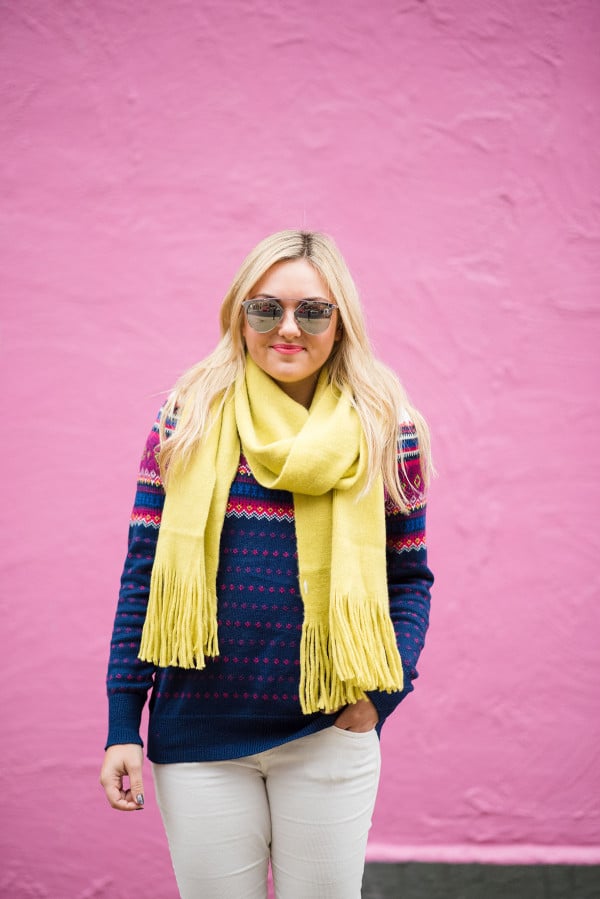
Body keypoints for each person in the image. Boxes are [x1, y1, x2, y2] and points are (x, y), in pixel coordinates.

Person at [100, 230, 434, 899]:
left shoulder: (386, 430)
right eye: (266, 308)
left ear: (340, 323)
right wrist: (120, 724)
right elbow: (143, 573)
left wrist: (380, 697)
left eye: (312, 310)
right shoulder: (185, 421)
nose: (288, 327)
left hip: (327, 730)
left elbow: (409, 576)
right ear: (239, 314)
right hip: (199, 734)